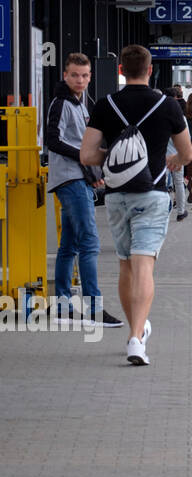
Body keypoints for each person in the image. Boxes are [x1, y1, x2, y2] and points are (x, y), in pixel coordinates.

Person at [81, 45, 191, 366]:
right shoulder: (167, 104)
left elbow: (87, 155)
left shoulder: (106, 104)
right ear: (150, 68)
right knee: (144, 266)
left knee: (126, 265)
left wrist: (118, 159)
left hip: (116, 196)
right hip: (153, 193)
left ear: (122, 71)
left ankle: (136, 332)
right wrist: (168, 160)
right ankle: (135, 338)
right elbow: (186, 154)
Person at [45, 53, 121, 327]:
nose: (80, 80)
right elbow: (52, 140)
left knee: (70, 246)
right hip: (70, 179)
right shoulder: (61, 103)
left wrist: (90, 167)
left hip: (76, 178)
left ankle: (63, 306)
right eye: (75, 75)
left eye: (85, 75)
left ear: (90, 77)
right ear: (65, 75)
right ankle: (93, 308)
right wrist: (84, 160)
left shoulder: (79, 104)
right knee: (90, 243)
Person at [165, 87, 189, 220]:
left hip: (163, 157)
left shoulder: (159, 115)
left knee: (163, 185)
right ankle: (181, 212)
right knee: (179, 183)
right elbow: (187, 140)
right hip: (178, 156)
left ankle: (165, 212)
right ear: (176, 99)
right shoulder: (181, 118)